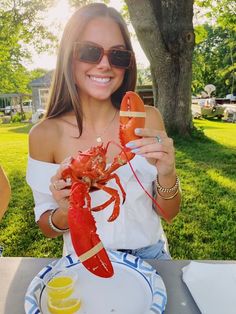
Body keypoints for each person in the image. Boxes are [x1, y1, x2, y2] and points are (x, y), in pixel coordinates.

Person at [26, 3, 181, 260]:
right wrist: (67, 210)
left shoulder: (147, 118)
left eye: (118, 55)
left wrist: (167, 173)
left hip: (151, 255)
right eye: (89, 52)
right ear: (68, 56)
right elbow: (47, 227)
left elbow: (169, 213)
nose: (105, 65)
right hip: (84, 256)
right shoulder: (44, 135)